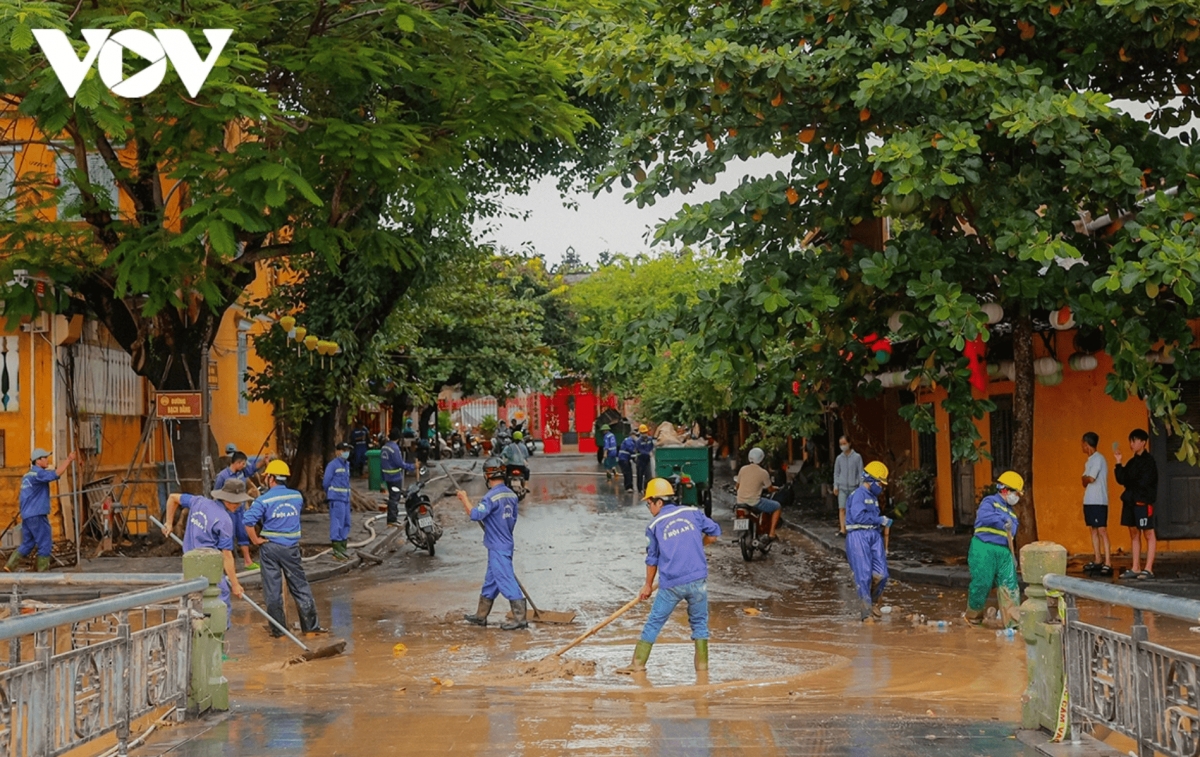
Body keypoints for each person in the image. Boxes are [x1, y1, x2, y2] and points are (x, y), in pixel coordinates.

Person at [617, 478, 721, 674]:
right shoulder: (692, 512)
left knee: (654, 622)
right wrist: (701, 544)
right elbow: (714, 534)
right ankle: (703, 669)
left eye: (649, 503)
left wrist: (647, 585)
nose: (649, 508)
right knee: (700, 624)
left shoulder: (654, 525)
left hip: (671, 584)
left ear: (659, 502)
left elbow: (652, 559)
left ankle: (637, 664)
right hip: (698, 580)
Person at [243, 460, 326, 637]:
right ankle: (311, 629)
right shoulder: (297, 496)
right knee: (300, 587)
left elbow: (247, 522)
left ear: (271, 478)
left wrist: (255, 540)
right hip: (291, 548)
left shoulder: (263, 500)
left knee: (272, 592)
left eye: (266, 476)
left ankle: (279, 633)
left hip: (270, 547)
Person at [160, 478, 251, 626]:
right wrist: (235, 584)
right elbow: (226, 556)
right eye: (237, 502)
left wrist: (169, 522)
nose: (239, 505)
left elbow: (172, 498)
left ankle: (191, 637)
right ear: (228, 500)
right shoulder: (224, 520)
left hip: (190, 564)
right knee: (220, 601)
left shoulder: (198, 502)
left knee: (191, 601)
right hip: (210, 567)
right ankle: (217, 642)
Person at [458, 457, 526, 630]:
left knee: (505, 579)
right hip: (506, 542)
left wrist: (463, 498)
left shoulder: (490, 497)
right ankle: (481, 616)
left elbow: (475, 515)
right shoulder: (512, 495)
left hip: (497, 547)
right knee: (491, 582)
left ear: (488, 475)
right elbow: (512, 519)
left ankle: (520, 618)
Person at [965, 471, 1024, 627]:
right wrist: (1002, 520)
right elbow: (984, 517)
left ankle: (1013, 623)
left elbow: (1014, 531)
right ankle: (973, 618)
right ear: (1005, 490)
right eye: (1016, 493)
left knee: (1009, 586)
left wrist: (1012, 557)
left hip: (1004, 552)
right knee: (982, 583)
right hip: (983, 548)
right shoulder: (989, 502)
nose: (1017, 497)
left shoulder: (1013, 514)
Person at [5, 447, 76, 572]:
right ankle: (42, 572)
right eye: (45, 458)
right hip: (37, 514)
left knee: (28, 543)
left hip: (27, 516)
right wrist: (69, 460)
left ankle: (9, 566)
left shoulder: (27, 476)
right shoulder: (39, 473)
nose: (47, 460)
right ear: (38, 461)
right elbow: (56, 474)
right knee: (45, 543)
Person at [844, 462, 893, 621]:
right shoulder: (859, 495)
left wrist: (881, 522)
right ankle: (866, 614)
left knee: (882, 574)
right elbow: (858, 517)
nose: (881, 487)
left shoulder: (873, 496)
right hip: (859, 536)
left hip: (874, 534)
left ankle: (872, 602)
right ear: (870, 481)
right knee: (864, 575)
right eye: (879, 483)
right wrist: (879, 519)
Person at [214, 450, 268, 570]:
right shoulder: (222, 476)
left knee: (243, 534)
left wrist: (263, 462)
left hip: (241, 510)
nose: (244, 466)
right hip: (228, 511)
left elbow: (253, 468)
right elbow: (216, 494)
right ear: (237, 463)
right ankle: (226, 563)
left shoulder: (242, 472)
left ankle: (247, 561)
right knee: (227, 536)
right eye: (243, 463)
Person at [1115, 428, 1157, 579]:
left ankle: (1148, 568)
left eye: (1134, 441)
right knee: (1134, 534)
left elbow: (1143, 482)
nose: (1131, 444)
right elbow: (1122, 479)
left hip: (1142, 502)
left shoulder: (1149, 462)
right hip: (1129, 502)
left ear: (1143, 442)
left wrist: (1130, 482)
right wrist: (1118, 462)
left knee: (1148, 533)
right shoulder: (1132, 462)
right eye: (1130, 441)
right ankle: (1136, 567)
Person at [1080, 432, 1112, 576]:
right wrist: (1085, 478)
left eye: (1083, 444)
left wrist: (1086, 478)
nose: (1082, 446)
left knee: (1102, 530)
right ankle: (1098, 559)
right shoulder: (1089, 461)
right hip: (1089, 500)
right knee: (1093, 529)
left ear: (1087, 444)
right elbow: (1083, 481)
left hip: (1099, 500)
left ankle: (1108, 562)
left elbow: (1089, 479)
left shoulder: (1098, 459)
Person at [736, 447, 782, 541]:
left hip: (740, 502)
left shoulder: (743, 469)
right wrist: (776, 488)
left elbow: (737, 486)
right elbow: (770, 489)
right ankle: (772, 534)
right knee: (777, 506)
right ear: (761, 459)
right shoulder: (763, 473)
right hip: (754, 502)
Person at [381, 428, 417, 528]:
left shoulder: (384, 447)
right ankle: (392, 520)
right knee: (394, 498)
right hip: (395, 478)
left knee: (393, 497)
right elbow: (400, 464)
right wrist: (413, 466)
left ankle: (392, 518)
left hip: (387, 477)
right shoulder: (395, 448)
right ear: (398, 438)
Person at [324, 442, 353, 561]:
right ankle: (336, 551)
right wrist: (331, 494)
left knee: (346, 522)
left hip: (345, 499)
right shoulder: (333, 465)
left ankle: (343, 548)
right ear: (337, 451)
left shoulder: (347, 465)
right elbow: (326, 482)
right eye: (343, 450)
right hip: (336, 499)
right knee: (337, 523)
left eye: (347, 450)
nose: (346, 452)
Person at [833, 436, 863, 537]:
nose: (843, 446)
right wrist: (835, 486)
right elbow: (836, 473)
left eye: (844, 443)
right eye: (841, 444)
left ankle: (852, 528)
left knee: (853, 509)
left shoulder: (857, 457)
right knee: (842, 508)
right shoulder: (839, 458)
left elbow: (860, 473)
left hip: (854, 487)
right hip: (842, 487)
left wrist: (861, 487)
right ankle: (843, 529)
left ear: (849, 443)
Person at [635, 424, 655, 494]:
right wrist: (648, 453)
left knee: (648, 475)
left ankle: (646, 488)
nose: (644, 434)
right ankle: (639, 489)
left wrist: (652, 451)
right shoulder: (638, 441)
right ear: (640, 433)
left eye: (645, 433)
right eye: (643, 433)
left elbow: (652, 446)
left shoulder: (650, 439)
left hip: (647, 460)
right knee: (640, 475)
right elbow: (640, 450)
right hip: (640, 460)